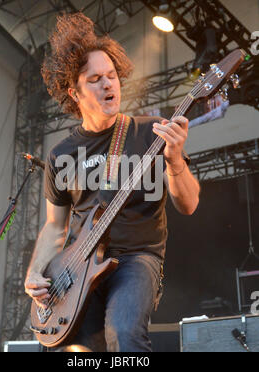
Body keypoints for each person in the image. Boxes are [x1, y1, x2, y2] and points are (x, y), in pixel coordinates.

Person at [24, 12, 200, 352]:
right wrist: (36, 273)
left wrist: (175, 160)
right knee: (73, 348)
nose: (108, 84)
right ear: (74, 93)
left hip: (137, 257)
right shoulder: (62, 154)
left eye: (112, 76)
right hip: (75, 269)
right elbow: (54, 227)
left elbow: (189, 204)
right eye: (95, 79)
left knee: (123, 334)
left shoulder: (150, 132)